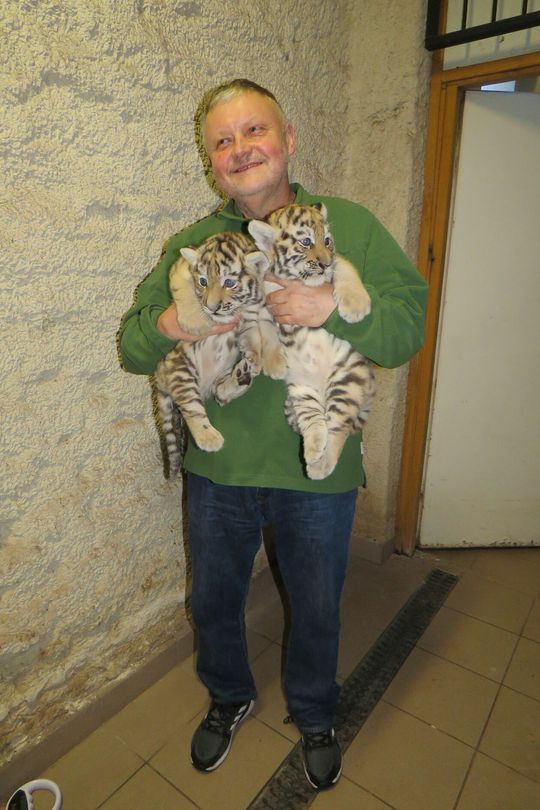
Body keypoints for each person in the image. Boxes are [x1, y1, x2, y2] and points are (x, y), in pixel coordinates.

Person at [118, 78, 428, 791]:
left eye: (254, 131)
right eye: (223, 141)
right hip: (220, 472)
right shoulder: (193, 245)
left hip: (316, 472)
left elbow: (405, 330)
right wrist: (171, 322)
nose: (240, 149)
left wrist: (330, 306)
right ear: (211, 162)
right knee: (213, 602)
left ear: (287, 140)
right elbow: (134, 347)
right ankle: (228, 696)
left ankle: (316, 713)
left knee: (316, 607)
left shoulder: (347, 223)